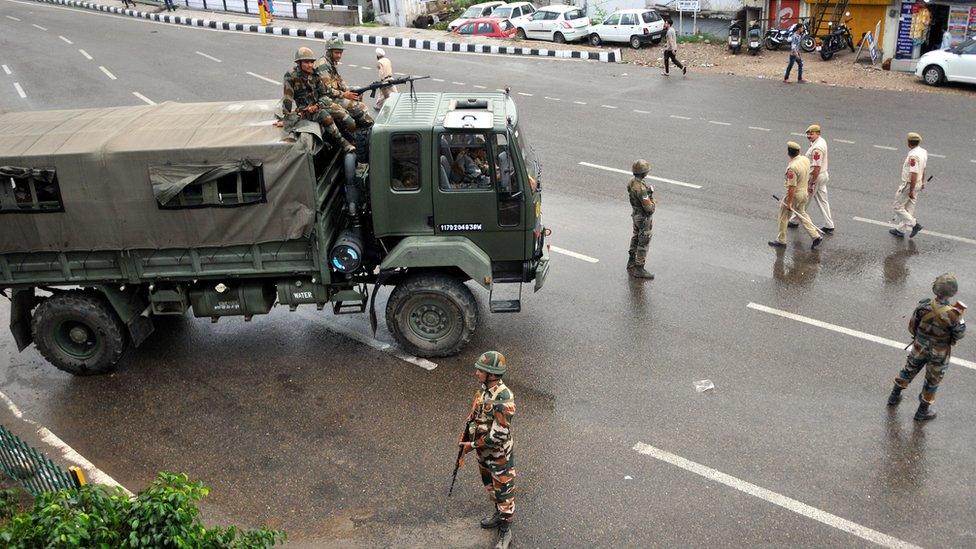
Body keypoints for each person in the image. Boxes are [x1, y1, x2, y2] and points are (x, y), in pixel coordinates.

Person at [458, 351, 516, 549]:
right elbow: (476, 418)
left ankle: (505, 530)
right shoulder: (484, 391)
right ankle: (498, 514)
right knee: (491, 488)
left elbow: (497, 436)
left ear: (491, 374)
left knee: (504, 494)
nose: (476, 373)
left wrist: (471, 446)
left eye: (480, 370)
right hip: (484, 454)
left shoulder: (504, 398)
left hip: (499, 457)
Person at [887, 274, 966, 421]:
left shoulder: (923, 306)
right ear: (952, 292)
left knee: (908, 370)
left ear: (935, 289)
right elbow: (960, 334)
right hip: (939, 353)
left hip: (919, 347)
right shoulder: (954, 314)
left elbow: (912, 327)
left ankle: (893, 397)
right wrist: (960, 317)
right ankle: (922, 412)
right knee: (932, 380)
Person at [281, 47, 355, 153]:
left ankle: (346, 139)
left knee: (348, 120)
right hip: (306, 109)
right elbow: (288, 98)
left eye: (311, 62)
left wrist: (319, 105)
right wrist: (286, 118)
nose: (310, 65)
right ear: (299, 62)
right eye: (306, 62)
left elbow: (325, 93)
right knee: (326, 117)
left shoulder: (315, 74)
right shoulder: (291, 76)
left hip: (320, 104)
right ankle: (343, 143)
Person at [769, 141, 822, 249]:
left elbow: (791, 187)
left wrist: (789, 203)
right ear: (798, 151)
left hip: (795, 195)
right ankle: (815, 235)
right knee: (802, 213)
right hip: (804, 193)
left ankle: (781, 240)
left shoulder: (792, 168)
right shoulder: (805, 160)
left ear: (788, 153)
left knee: (783, 217)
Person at [315, 38, 374, 132]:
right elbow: (326, 90)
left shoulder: (331, 62)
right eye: (336, 53)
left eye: (340, 53)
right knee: (361, 107)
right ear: (330, 52)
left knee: (358, 90)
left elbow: (339, 80)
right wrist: (344, 95)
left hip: (336, 93)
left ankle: (355, 114)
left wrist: (348, 91)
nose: (339, 55)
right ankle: (366, 125)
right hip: (328, 98)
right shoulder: (323, 65)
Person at [789, 124, 833, 233]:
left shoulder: (817, 148)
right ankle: (829, 224)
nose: (809, 136)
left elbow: (816, 167)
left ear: (818, 134)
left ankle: (794, 220)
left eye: (811, 134)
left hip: (816, 177)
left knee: (805, 199)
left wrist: (811, 183)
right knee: (823, 200)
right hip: (823, 175)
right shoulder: (821, 141)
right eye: (808, 134)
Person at [890, 132, 927, 239]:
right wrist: (923, 182)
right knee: (909, 207)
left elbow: (914, 173)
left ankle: (915, 225)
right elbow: (923, 169)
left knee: (897, 207)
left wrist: (911, 190)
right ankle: (901, 230)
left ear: (909, 143)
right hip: (918, 183)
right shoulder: (923, 152)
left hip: (910, 184)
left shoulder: (913, 156)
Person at [627, 159, 655, 279]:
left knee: (635, 236)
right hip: (643, 217)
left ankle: (631, 261)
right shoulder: (641, 189)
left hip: (635, 214)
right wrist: (652, 199)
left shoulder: (631, 182)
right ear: (644, 173)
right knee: (643, 241)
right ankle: (639, 268)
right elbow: (649, 208)